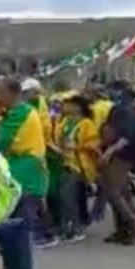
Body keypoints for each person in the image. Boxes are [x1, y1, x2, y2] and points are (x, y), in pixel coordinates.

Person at [0, 77, 46, 269]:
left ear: (13, 93)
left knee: (18, 232)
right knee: (6, 231)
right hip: (15, 178)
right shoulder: (15, 112)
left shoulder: (20, 113)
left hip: (26, 178)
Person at [99, 80, 135, 245]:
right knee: (123, 193)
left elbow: (127, 135)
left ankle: (133, 225)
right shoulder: (125, 108)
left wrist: (109, 151)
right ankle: (122, 229)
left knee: (113, 193)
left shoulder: (123, 110)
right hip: (123, 154)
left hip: (121, 155)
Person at [54, 95, 99, 243]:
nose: (64, 106)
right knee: (65, 197)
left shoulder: (86, 123)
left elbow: (93, 143)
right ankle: (69, 225)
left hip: (78, 164)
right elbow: (58, 138)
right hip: (64, 161)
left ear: (78, 107)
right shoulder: (65, 121)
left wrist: (77, 146)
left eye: (68, 104)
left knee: (68, 196)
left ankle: (76, 228)